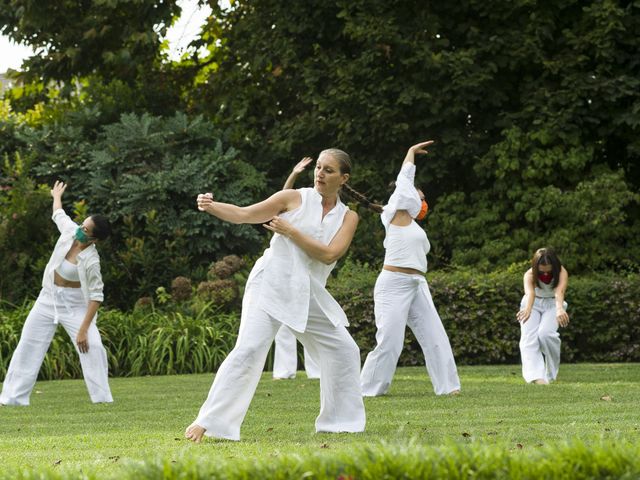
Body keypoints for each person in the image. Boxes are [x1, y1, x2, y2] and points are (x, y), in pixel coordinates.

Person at [186, 148, 366, 442]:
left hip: (307, 295)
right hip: (270, 284)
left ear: (343, 178)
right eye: (318, 167)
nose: (320, 173)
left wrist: (290, 231)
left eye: (328, 170)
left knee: (344, 349)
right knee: (249, 349)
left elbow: (329, 254)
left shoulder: (349, 217)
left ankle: (341, 423)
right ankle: (209, 422)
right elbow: (245, 214)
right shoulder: (294, 198)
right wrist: (212, 205)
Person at [360, 141, 461, 397]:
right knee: (390, 342)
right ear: (407, 196)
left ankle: (448, 387)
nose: (424, 201)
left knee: (436, 336)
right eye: (421, 196)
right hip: (393, 283)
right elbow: (404, 183)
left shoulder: (416, 227)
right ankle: (367, 389)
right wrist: (409, 155)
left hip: (418, 284)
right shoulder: (391, 215)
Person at [0, 181, 113, 406]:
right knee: (29, 343)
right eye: (82, 224)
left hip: (75, 306)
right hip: (48, 299)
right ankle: (12, 399)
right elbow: (59, 214)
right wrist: (56, 196)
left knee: (93, 346)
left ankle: (102, 400)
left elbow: (96, 297)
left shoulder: (92, 261)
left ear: (95, 239)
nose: (81, 229)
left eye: (86, 230)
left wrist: (83, 330)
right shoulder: (70, 232)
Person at [273, 157, 320, 380]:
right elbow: (283, 197)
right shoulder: (285, 212)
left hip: (306, 271)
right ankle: (284, 371)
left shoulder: (314, 214)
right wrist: (294, 173)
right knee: (283, 324)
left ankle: (316, 370)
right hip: (281, 272)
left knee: (308, 321)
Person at [517, 247, 569, 384]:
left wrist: (559, 309)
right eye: (542, 271)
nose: (545, 274)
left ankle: (551, 374)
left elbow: (559, 291)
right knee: (528, 338)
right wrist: (527, 309)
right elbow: (530, 293)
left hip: (553, 304)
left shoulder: (562, 272)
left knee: (546, 334)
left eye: (549, 271)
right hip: (532, 303)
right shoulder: (529, 274)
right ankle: (536, 377)